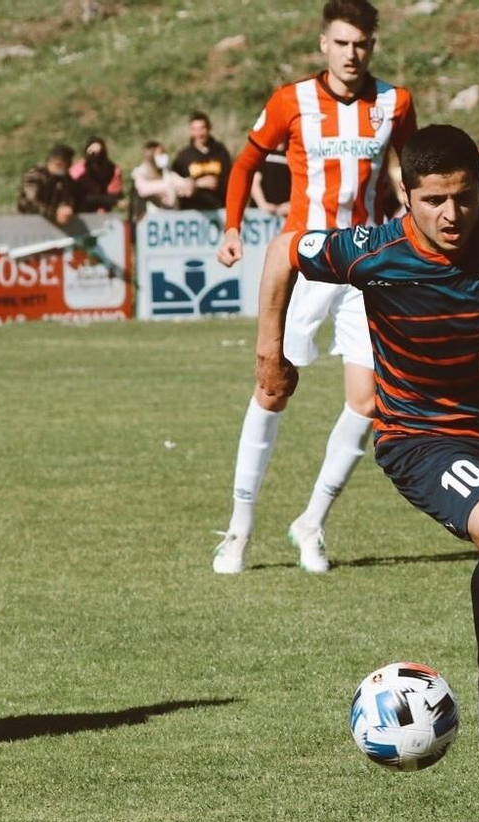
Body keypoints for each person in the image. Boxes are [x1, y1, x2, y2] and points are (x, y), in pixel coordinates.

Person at [254, 124, 479, 757]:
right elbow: (284, 251)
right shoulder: (371, 250)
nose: (452, 214)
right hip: (420, 437)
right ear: (406, 196)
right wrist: (269, 355)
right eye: (435, 200)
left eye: (465, 197)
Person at [212, 0, 417, 575]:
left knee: (369, 401)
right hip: (303, 264)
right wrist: (232, 227)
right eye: (342, 43)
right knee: (273, 388)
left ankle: (312, 521)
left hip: (367, 265)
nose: (352, 54)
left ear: (372, 46)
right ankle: (238, 529)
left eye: (362, 44)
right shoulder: (291, 101)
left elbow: (411, 169)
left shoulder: (395, 103)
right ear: (324, 44)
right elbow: (245, 163)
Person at [172, 112, 233, 211]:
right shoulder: (184, 156)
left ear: (209, 128)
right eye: (195, 129)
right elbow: (177, 184)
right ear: (190, 131)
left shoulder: (220, 151)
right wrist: (198, 184)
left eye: (202, 128)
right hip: (194, 211)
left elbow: (230, 178)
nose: (199, 133)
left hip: (220, 208)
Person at [19, 144, 78, 225]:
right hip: (29, 223)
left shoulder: (64, 179)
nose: (69, 169)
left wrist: (65, 208)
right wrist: (54, 213)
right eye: (68, 165)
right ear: (58, 163)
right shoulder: (34, 177)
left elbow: (69, 197)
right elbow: (30, 204)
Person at [132, 140, 192, 214]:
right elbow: (143, 190)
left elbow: (185, 185)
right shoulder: (139, 172)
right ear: (151, 156)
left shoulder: (168, 173)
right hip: (151, 216)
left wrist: (191, 184)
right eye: (161, 154)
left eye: (164, 153)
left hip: (172, 215)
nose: (164, 156)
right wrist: (168, 188)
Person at [70, 136, 123, 213]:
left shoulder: (112, 169)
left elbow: (115, 193)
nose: (95, 156)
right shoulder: (78, 169)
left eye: (99, 153)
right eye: (92, 153)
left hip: (103, 209)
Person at [250, 151, 292, 216]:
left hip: (288, 213)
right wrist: (263, 205)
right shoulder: (262, 152)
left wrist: (292, 205)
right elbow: (254, 182)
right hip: (260, 215)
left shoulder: (294, 154)